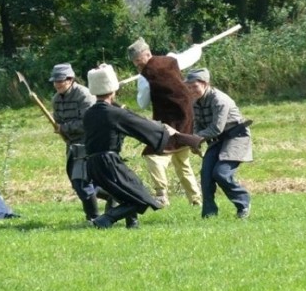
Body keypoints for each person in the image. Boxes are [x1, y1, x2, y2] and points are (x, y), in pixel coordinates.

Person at [83, 64, 201, 229]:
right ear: (113, 90)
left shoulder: (89, 113)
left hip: (93, 164)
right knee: (142, 199)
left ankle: (133, 224)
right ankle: (105, 220)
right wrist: (163, 130)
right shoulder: (114, 113)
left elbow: (127, 121)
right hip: (108, 162)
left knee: (132, 188)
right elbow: (139, 125)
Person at [127, 37, 202, 207]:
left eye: (139, 61)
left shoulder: (144, 77)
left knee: (153, 155)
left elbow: (142, 103)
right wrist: (197, 47)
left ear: (147, 54)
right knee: (182, 162)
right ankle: (196, 200)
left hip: (169, 123)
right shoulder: (171, 60)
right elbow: (190, 56)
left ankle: (161, 194)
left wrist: (143, 85)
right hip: (187, 118)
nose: (138, 65)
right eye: (135, 63)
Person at [184, 68, 252, 219]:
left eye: (194, 86)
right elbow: (197, 124)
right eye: (188, 87)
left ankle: (243, 202)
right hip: (217, 141)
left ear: (205, 84)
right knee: (206, 176)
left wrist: (195, 138)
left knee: (221, 174)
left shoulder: (220, 100)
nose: (191, 90)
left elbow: (216, 128)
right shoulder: (195, 102)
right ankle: (209, 215)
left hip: (236, 138)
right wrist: (195, 142)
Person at [50, 62, 107, 223]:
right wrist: (61, 128)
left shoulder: (84, 95)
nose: (57, 84)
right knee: (80, 183)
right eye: (55, 81)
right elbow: (58, 121)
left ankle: (94, 218)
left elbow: (88, 122)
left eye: (60, 80)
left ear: (70, 79)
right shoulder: (55, 99)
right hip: (72, 146)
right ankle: (113, 195)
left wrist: (64, 128)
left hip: (88, 143)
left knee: (80, 182)